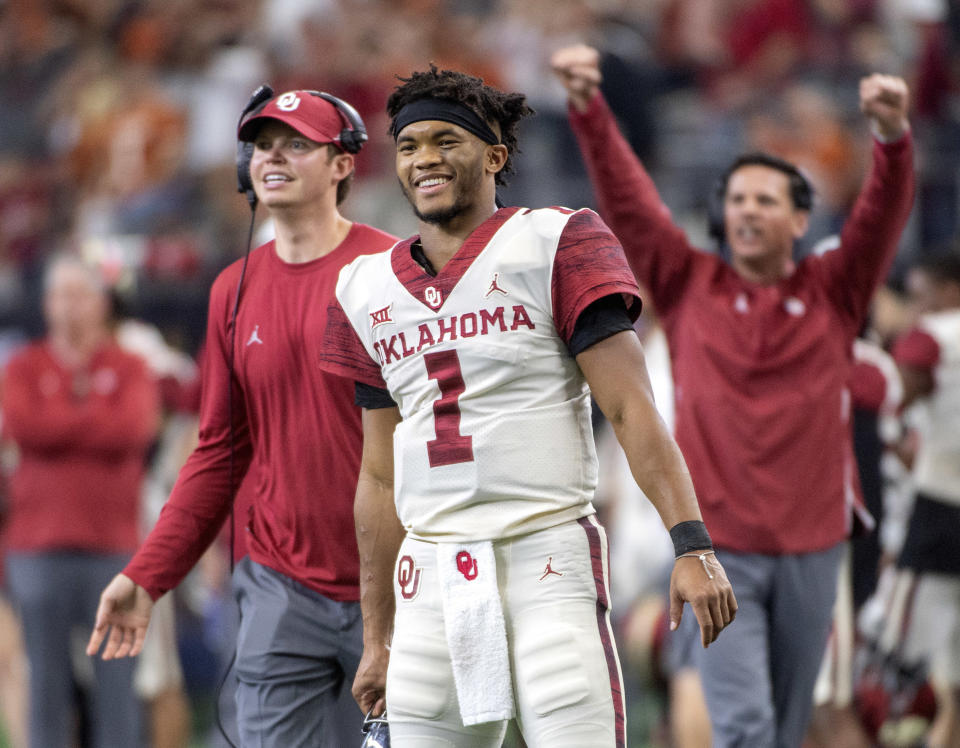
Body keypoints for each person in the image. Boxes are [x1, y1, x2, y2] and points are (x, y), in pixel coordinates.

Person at [318, 65, 737, 747]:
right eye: (409, 144)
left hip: (545, 560)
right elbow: (379, 475)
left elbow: (632, 410)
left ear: (495, 155)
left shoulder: (555, 241)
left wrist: (691, 543)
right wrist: (377, 635)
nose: (424, 158)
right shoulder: (362, 288)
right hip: (428, 577)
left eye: (446, 140)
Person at [551, 43, 914, 748]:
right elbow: (629, 199)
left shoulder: (835, 291)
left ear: (800, 219)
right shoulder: (689, 285)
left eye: (766, 199)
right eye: (737, 198)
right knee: (742, 728)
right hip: (720, 550)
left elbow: (881, 214)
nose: (747, 210)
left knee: (783, 726)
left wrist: (893, 140)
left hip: (815, 549)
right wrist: (589, 110)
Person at [86, 88, 399, 746]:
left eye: (296, 144)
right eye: (261, 145)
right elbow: (216, 454)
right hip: (281, 582)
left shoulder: (392, 269)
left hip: (400, 580)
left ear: (342, 165)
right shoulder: (233, 289)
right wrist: (148, 575)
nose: (272, 157)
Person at [2, 252, 161, 748]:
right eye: (58, 295)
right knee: (44, 681)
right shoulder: (24, 366)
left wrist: (59, 427)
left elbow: (134, 430)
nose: (67, 307)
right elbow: (23, 426)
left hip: (113, 548)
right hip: (36, 546)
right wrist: (94, 420)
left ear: (100, 302)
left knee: (118, 686)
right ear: (45, 304)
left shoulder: (131, 365)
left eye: (77, 294)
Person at [885, 251, 960, 748]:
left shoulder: (935, 334)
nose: (915, 309)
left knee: (903, 665)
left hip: (941, 513)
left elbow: (893, 405)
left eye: (921, 296)